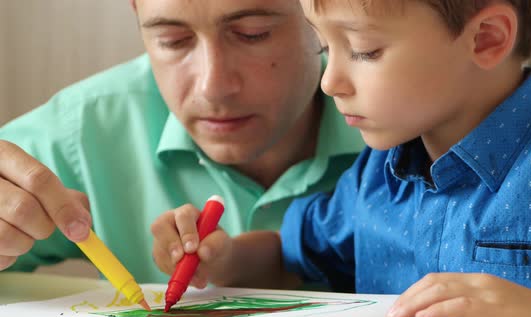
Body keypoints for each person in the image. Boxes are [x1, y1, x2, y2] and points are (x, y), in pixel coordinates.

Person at [154, 0, 531, 317]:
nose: (330, 81)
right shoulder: (375, 176)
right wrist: (225, 258)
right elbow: (293, 254)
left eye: (364, 50)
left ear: (487, 38)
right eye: (325, 47)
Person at [0, 0, 364, 284]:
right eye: (172, 40)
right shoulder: (83, 131)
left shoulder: (411, 129)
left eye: (253, 33)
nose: (212, 87)